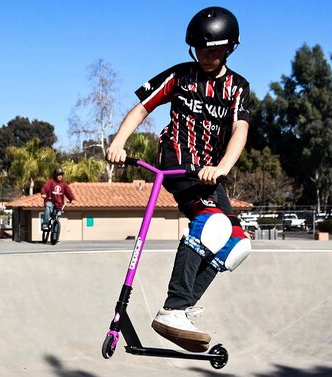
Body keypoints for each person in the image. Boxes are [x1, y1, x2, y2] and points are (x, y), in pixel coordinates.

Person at [106, 6, 251, 352]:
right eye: (199, 49)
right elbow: (142, 107)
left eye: (213, 49)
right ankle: (173, 307)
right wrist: (118, 142)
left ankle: (179, 311)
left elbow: (240, 130)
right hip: (177, 162)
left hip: (210, 172)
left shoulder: (237, 87)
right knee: (211, 224)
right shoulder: (180, 76)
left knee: (236, 245)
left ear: (228, 48)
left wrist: (223, 167)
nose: (205, 56)